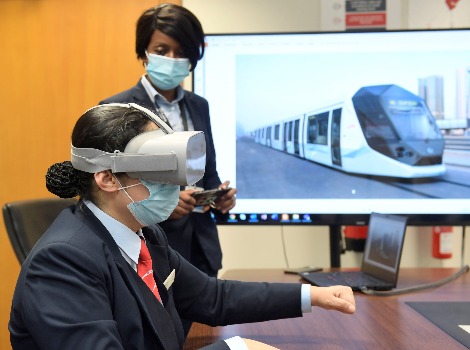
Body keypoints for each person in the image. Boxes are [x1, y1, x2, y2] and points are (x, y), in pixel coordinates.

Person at [9, 103, 356, 350]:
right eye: (158, 172)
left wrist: (314, 296)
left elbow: (212, 297)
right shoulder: (62, 263)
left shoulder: (143, 235)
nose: (174, 186)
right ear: (107, 179)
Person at [99, 3, 231, 281]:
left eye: (182, 53)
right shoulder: (117, 108)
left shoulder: (199, 106)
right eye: (162, 51)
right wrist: (162, 204)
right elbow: (108, 191)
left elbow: (208, 173)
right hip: (150, 250)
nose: (172, 59)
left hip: (202, 250)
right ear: (144, 53)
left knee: (207, 325)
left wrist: (219, 197)